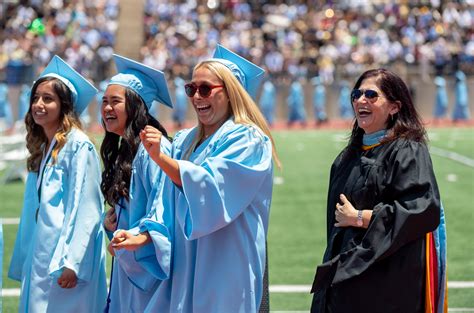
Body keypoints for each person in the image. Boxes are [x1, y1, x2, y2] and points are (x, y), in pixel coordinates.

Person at [110, 44, 280, 312]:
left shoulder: (248, 138)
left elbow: (212, 189)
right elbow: (163, 201)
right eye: (192, 89)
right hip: (185, 262)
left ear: (231, 92)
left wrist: (163, 160)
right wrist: (143, 235)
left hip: (225, 262)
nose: (196, 96)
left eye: (206, 89)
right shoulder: (185, 141)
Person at [311, 68, 442, 313]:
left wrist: (360, 217)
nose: (361, 100)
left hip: (386, 280)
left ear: (394, 107)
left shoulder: (407, 151)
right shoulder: (348, 157)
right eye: (356, 94)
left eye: (371, 95)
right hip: (345, 273)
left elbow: (423, 209)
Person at [8, 55, 107, 312]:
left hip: (63, 260)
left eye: (48, 99)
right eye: (36, 98)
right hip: (42, 252)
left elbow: (87, 207)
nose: (38, 104)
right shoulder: (45, 146)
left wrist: (73, 261)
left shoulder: (78, 145)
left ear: (64, 105)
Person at [100, 54, 174, 313]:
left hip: (150, 269)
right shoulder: (126, 148)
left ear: (135, 106)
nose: (107, 108)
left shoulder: (153, 148)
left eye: (115, 102)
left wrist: (139, 236)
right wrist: (113, 222)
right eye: (105, 101)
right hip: (130, 265)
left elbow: (163, 207)